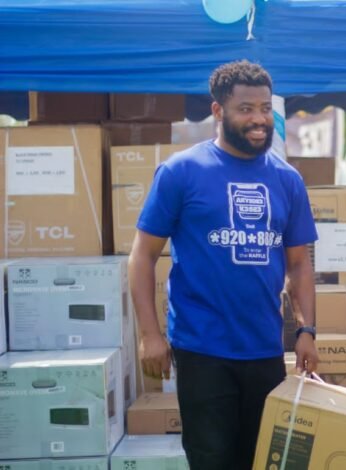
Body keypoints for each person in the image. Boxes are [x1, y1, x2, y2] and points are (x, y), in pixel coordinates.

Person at [128, 60, 319, 470]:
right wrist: (149, 335)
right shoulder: (181, 172)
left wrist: (306, 330)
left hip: (264, 349)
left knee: (262, 460)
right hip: (202, 349)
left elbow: (299, 264)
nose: (259, 119)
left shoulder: (287, 180)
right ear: (218, 111)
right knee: (212, 461)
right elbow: (142, 255)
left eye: (265, 109)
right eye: (246, 109)